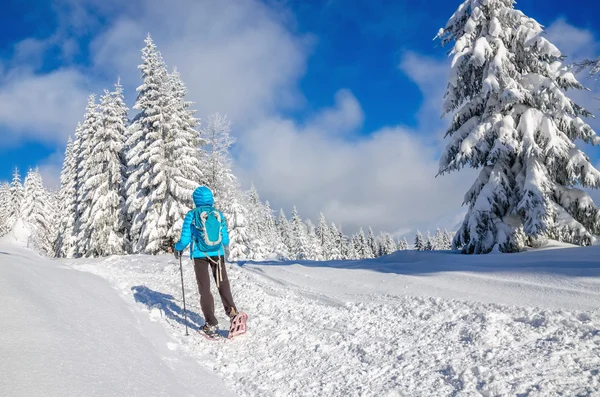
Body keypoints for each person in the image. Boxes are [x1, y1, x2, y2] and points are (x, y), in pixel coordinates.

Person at [174, 186, 238, 336]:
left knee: (205, 289)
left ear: (195, 200)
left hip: (199, 255)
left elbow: (184, 240)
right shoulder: (218, 215)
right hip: (217, 253)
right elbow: (226, 239)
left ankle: (211, 324)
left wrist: (177, 247)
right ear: (210, 199)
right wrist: (222, 248)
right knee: (223, 284)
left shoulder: (192, 214)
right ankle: (233, 314)